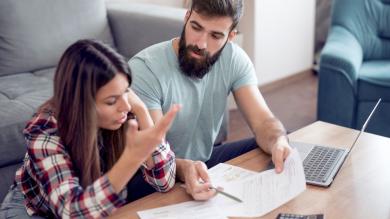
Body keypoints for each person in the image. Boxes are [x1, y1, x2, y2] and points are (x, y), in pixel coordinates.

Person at [129, 0, 292, 201]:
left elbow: (263, 122)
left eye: (215, 35)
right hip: (151, 175)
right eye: (196, 27)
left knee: (282, 142)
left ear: (230, 37)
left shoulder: (234, 59)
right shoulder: (146, 70)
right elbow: (154, 159)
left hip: (202, 163)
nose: (201, 43)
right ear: (187, 17)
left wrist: (278, 140)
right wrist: (186, 169)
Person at [0, 39, 180, 219]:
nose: (125, 106)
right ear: (82, 103)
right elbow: (71, 212)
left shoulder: (125, 111)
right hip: (35, 211)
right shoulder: (45, 129)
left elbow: (164, 182)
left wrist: (142, 111)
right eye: (111, 101)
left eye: (127, 91)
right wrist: (132, 159)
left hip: (93, 203)